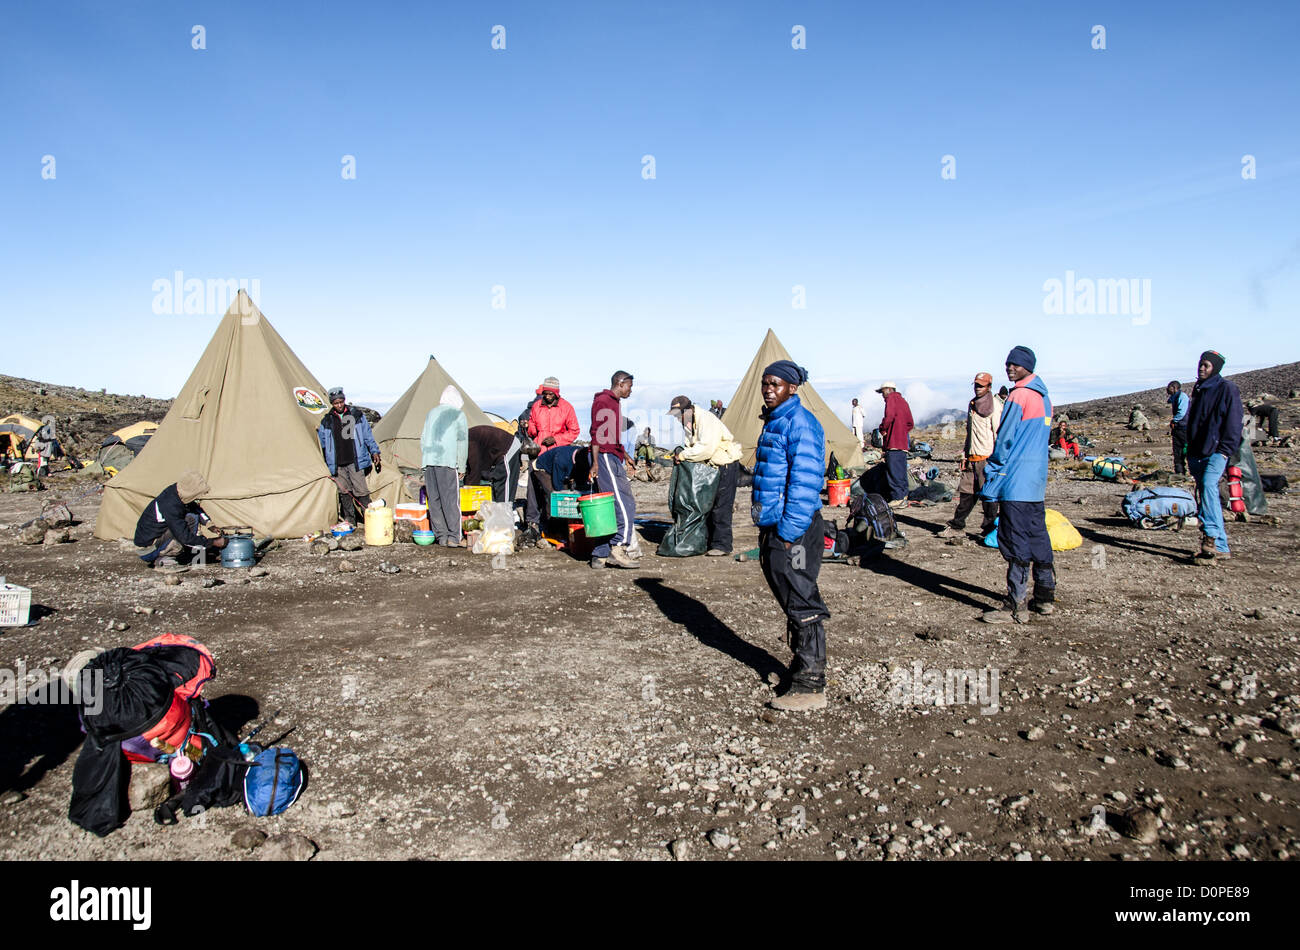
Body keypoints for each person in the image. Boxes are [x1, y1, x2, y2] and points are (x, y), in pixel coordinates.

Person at [753, 361, 830, 711]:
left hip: (793, 528)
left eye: (777, 384)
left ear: (793, 388)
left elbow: (805, 481)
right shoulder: (776, 421)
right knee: (790, 593)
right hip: (778, 525)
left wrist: (788, 532)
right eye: (766, 383)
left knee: (801, 597)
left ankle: (811, 684)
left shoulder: (800, 423)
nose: (769, 389)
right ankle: (799, 667)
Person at [979, 346, 1055, 624]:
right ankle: (1045, 597)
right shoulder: (1044, 398)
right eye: (1008, 363)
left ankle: (1015, 604)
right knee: (1038, 536)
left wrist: (992, 475)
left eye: (1015, 364)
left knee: (1015, 541)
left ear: (1027, 366)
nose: (1010, 368)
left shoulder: (1019, 396)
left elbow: (1006, 440)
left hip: (1016, 481)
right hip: (1036, 482)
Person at [667, 395, 744, 556]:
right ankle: (708, 541)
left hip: (725, 464)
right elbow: (692, 445)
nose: (676, 418)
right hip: (711, 467)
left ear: (687, 410)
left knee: (720, 506)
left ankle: (722, 545)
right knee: (706, 504)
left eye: (677, 415)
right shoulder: (689, 423)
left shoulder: (706, 420)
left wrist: (683, 456)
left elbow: (706, 448)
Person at [1187, 351, 1243, 560]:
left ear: (1216, 368)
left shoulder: (1227, 389)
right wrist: (1188, 448)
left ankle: (1210, 536)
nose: (1201, 368)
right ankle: (1221, 546)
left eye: (1206, 365)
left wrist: (1225, 449)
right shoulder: (1199, 390)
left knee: (1209, 488)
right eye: (1201, 364)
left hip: (1216, 452)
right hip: (1196, 452)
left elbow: (1234, 422)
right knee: (1207, 495)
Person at [938, 372, 1002, 540]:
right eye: (976, 385)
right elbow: (970, 432)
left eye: (981, 385)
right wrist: (965, 455)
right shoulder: (972, 404)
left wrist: (998, 459)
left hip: (987, 457)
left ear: (989, 387)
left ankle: (990, 529)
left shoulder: (995, 406)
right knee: (967, 493)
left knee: (988, 496)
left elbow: (998, 433)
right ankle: (957, 525)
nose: (977, 388)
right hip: (972, 457)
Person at [590, 372, 638, 569]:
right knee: (625, 503)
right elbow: (596, 434)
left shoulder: (615, 403)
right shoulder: (604, 401)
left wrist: (625, 455)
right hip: (605, 457)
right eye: (629, 386)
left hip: (612, 455)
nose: (631, 390)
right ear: (620, 383)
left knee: (608, 505)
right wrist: (595, 462)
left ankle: (599, 554)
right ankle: (619, 546)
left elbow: (611, 435)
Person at [133, 469, 227, 569]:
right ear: (191, 491)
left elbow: (194, 508)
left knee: (192, 516)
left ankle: (180, 552)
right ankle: (165, 559)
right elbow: (184, 537)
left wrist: (209, 525)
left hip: (157, 539)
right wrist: (213, 542)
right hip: (147, 549)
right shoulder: (170, 505)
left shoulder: (178, 492)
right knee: (188, 522)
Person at [317, 387, 382, 527]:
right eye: (336, 403)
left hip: (355, 460)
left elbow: (367, 435)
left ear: (344, 400)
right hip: (337, 463)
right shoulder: (326, 421)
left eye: (341, 401)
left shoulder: (356, 415)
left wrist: (374, 451)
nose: (339, 405)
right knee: (344, 491)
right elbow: (322, 442)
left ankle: (369, 519)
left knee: (362, 491)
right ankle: (350, 520)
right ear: (332, 404)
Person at [421, 385, 469, 547]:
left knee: (434, 500)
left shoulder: (430, 413)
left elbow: (422, 439)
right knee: (451, 500)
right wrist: (462, 466)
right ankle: (454, 537)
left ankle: (440, 536)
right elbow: (462, 442)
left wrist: (424, 460)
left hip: (429, 461)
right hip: (447, 462)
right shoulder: (458, 414)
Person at [521, 443, 593, 543]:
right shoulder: (561, 459)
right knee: (553, 496)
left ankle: (567, 527)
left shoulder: (584, 457)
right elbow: (557, 485)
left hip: (561, 471)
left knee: (574, 494)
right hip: (543, 468)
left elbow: (581, 483)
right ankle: (552, 530)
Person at [876, 382, 913, 509]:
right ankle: (903, 497)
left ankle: (897, 498)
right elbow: (910, 423)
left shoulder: (891, 399)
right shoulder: (903, 401)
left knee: (893, 472)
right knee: (901, 471)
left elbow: (889, 416)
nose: (882, 395)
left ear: (889, 389)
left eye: (883, 392)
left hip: (893, 443)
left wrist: (883, 429)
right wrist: (901, 432)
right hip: (903, 444)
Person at [465, 425, 520, 504]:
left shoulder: (470, 442)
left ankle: (506, 513)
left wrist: (469, 494)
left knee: (504, 485)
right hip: (497, 452)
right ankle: (498, 511)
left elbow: (474, 469)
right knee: (495, 485)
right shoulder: (469, 439)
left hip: (508, 447)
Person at [526, 377, 580, 451]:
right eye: (545, 394)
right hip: (539, 451)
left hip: (559, 451)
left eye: (551, 394)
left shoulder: (567, 407)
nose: (547, 396)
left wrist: (555, 439)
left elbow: (574, 431)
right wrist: (527, 426)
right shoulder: (536, 406)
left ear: (556, 393)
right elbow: (532, 432)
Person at [1166, 380, 1189, 475]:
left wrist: (1174, 420)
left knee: (1186, 449)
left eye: (1169, 388)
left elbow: (1182, 412)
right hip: (1178, 428)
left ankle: (1192, 470)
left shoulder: (1182, 397)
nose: (1167, 390)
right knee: (1177, 450)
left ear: (1175, 388)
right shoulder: (1175, 397)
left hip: (1184, 427)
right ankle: (1180, 472)